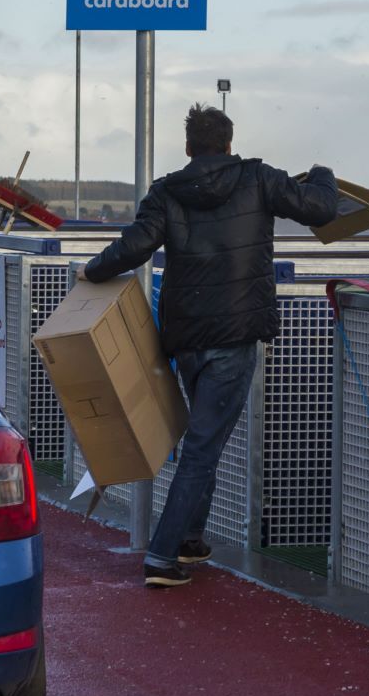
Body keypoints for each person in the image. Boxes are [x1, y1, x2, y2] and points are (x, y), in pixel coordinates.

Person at [79, 103, 338, 588]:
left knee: (203, 437)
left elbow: (136, 246)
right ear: (228, 144)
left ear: (188, 148)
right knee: (201, 446)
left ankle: (192, 538)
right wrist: (323, 174)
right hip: (235, 335)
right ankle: (161, 555)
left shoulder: (167, 191)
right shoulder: (258, 178)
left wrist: (92, 270)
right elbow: (321, 208)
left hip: (186, 338)